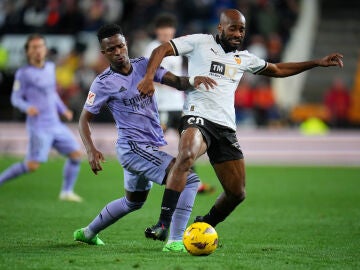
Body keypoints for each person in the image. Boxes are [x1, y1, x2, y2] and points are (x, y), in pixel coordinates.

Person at [137, 9, 343, 240]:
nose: (237, 33)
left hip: (225, 127)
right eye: (232, 28)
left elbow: (278, 69)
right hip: (198, 116)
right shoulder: (199, 42)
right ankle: (163, 224)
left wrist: (317, 62)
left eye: (241, 29)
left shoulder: (245, 58)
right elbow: (161, 49)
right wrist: (148, 78)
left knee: (237, 193)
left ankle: (204, 225)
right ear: (220, 28)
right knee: (186, 155)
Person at [73, 24, 216, 252]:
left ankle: (88, 233)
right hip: (132, 148)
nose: (118, 52)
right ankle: (175, 240)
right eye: (111, 49)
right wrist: (90, 150)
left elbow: (177, 82)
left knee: (133, 201)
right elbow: (83, 120)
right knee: (188, 179)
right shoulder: (103, 83)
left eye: (120, 46)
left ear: (126, 44)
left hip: (145, 148)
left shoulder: (144, 66)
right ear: (104, 53)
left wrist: (193, 80)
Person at [0, 34, 83, 202]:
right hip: (39, 126)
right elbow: (15, 98)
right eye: (34, 47)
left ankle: (66, 192)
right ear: (27, 52)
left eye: (40, 47)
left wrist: (63, 109)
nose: (38, 50)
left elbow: (51, 93)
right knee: (32, 165)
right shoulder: (23, 74)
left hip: (55, 123)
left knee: (76, 154)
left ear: (45, 49)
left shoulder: (50, 68)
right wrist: (27, 107)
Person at [144, 13, 215, 194]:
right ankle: (146, 178)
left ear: (173, 31)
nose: (166, 37)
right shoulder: (152, 48)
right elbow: (148, 76)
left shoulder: (175, 50)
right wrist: (171, 83)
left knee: (187, 145)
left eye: (169, 34)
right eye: (163, 34)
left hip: (178, 105)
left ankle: (193, 182)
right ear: (157, 32)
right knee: (153, 143)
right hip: (161, 106)